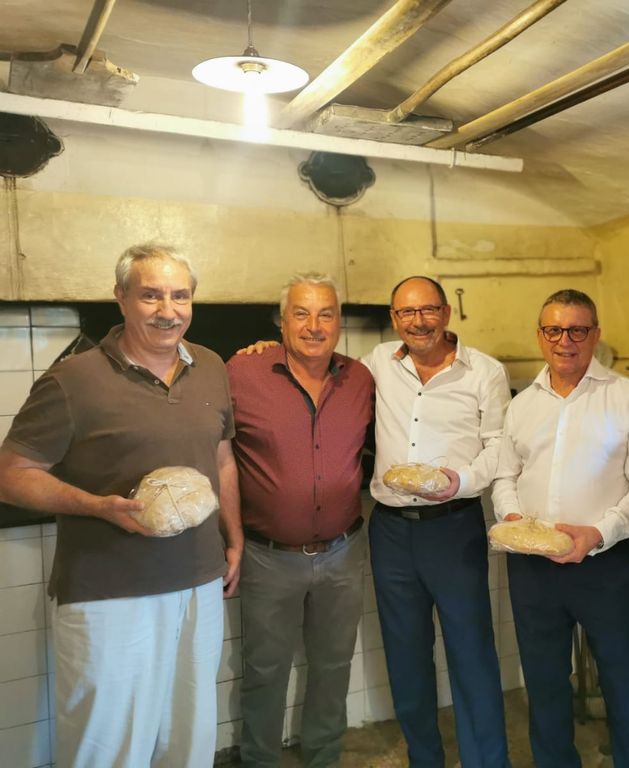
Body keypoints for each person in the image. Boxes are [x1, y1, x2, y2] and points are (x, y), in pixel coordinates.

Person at [0, 243, 242, 767]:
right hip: (109, 593)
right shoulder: (73, 380)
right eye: (151, 295)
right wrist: (98, 506)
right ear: (121, 298)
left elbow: (222, 458)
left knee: (189, 735)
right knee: (107, 745)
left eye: (180, 296)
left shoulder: (210, 366)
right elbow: (11, 476)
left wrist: (234, 537)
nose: (168, 311)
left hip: (198, 583)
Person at [492, 288, 629, 768]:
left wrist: (599, 533)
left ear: (595, 335)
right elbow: (505, 476)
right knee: (544, 682)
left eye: (576, 330)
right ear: (540, 335)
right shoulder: (522, 405)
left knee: (623, 679)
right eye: (554, 330)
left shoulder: (628, 399)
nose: (564, 341)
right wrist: (512, 519)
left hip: (604, 565)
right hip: (532, 566)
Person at [365, 275, 512, 768]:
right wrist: (263, 348)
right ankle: (424, 759)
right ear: (394, 318)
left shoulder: (484, 371)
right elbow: (317, 368)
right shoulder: (376, 363)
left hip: (453, 527)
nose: (419, 321)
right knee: (405, 656)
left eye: (428, 310)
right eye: (407, 312)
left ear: (447, 313)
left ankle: (486, 761)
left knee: (471, 653)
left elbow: (499, 447)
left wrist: (461, 481)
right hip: (391, 530)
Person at [228, 274, 373, 767]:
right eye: (302, 314)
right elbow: (217, 451)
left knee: (334, 666)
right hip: (268, 556)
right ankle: (260, 760)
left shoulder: (360, 379)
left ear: (338, 321)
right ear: (282, 321)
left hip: (343, 551)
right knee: (265, 671)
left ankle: (324, 758)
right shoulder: (242, 372)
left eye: (326, 314)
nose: (314, 326)